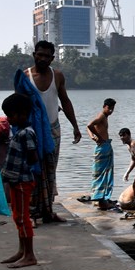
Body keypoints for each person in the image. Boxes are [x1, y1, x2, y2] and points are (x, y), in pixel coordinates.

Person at [24, 40, 82, 223]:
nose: (42, 58)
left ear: (52, 58)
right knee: (33, 170)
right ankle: (32, 212)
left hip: (53, 129)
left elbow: (65, 101)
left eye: (46, 56)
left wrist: (75, 126)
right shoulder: (26, 76)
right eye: (39, 54)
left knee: (50, 171)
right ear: (34, 55)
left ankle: (48, 211)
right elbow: (20, 105)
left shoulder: (57, 76)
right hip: (32, 131)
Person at [0, 94, 39, 268]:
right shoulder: (18, 132)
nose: (8, 118)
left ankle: (30, 255)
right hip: (16, 181)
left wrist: (21, 168)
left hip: (23, 181)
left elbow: (32, 157)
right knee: (17, 216)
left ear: (22, 114)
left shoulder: (27, 133)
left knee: (23, 218)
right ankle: (22, 251)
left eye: (11, 115)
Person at [86, 98, 116, 210]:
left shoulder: (103, 116)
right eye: (109, 108)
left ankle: (102, 199)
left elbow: (88, 127)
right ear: (104, 106)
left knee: (103, 173)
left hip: (104, 146)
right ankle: (101, 201)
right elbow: (89, 125)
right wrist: (97, 137)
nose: (111, 111)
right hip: (103, 147)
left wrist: (92, 136)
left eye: (112, 109)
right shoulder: (101, 116)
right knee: (102, 174)